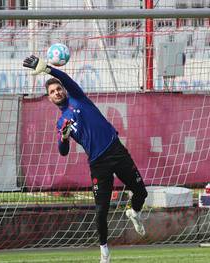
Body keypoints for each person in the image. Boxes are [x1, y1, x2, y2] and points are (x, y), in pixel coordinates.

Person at [23, 56, 148, 263]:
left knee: (141, 192)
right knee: (101, 211)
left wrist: (46, 69)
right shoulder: (61, 121)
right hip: (98, 164)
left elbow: (63, 76)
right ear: (49, 98)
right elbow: (63, 152)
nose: (57, 92)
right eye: (52, 92)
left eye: (58, 89)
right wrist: (64, 138)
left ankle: (134, 212)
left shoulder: (77, 97)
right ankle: (104, 252)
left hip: (116, 151)